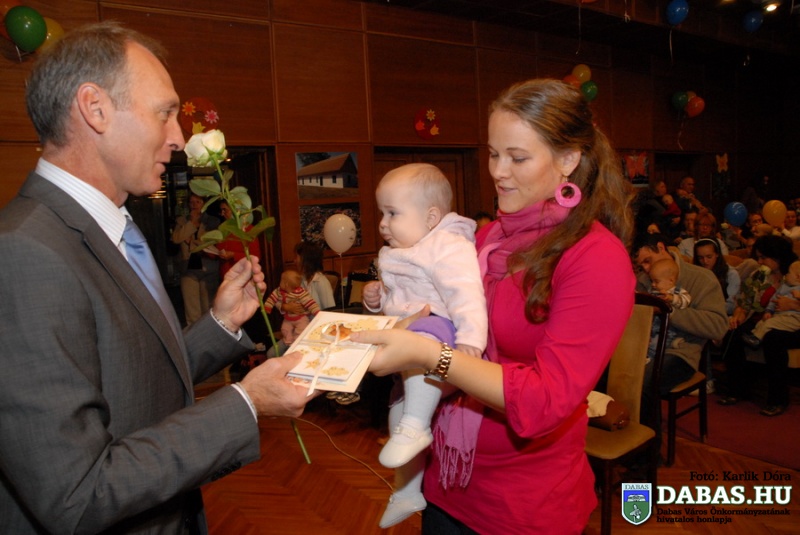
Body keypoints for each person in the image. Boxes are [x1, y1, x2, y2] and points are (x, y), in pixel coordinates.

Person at [0, 22, 314, 534]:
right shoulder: (24, 253)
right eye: (165, 113)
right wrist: (245, 402)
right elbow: (76, 494)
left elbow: (132, 381)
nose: (179, 138)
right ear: (95, 109)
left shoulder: (109, 229)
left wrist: (219, 324)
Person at [353, 79, 637, 533]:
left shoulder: (596, 258)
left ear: (568, 159)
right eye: (493, 154)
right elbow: (441, 314)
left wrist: (430, 355)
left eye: (518, 158)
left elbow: (545, 402)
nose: (499, 172)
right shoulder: (485, 238)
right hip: (446, 480)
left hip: (522, 504)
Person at [361, 163, 487, 529]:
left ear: (431, 217)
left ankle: (417, 426)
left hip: (440, 333)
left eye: (393, 213)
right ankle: (407, 490)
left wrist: (471, 340)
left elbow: (466, 294)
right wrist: (376, 301)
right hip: (411, 346)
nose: (383, 223)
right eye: (382, 213)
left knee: (409, 420)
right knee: (397, 413)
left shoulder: (447, 246)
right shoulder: (401, 250)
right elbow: (397, 304)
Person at [632, 233, 728, 415]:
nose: (646, 269)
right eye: (641, 265)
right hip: (644, 349)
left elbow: (718, 327)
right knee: (601, 373)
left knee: (642, 383)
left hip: (680, 353)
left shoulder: (701, 277)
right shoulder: (642, 281)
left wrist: (669, 311)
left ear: (661, 248)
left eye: (648, 261)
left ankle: (647, 433)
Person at [718, 235, 798, 416]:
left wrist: (793, 305)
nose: (759, 262)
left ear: (777, 256)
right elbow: (744, 302)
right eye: (758, 257)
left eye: (763, 257)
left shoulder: (795, 271)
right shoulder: (759, 275)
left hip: (793, 322)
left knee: (773, 338)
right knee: (734, 333)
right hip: (763, 320)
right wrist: (737, 316)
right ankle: (737, 390)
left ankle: (778, 399)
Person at [172, 192, 221, 325]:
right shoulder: (181, 221)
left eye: (197, 202)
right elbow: (176, 239)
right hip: (188, 268)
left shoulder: (213, 222)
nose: (194, 205)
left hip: (208, 268)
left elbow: (209, 243)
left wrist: (191, 242)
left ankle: (210, 333)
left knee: (208, 307)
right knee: (191, 309)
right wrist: (192, 223)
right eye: (191, 202)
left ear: (204, 204)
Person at [741, 260, 800, 347]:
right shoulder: (784, 286)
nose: (786, 274)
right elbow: (774, 299)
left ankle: (756, 339)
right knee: (763, 321)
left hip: (794, 317)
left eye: (789, 272)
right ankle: (754, 336)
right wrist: (769, 311)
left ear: (798, 277)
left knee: (769, 324)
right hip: (779, 314)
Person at [646, 257, 692, 361]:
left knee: (656, 344)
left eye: (656, 281)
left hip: (669, 329)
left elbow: (685, 301)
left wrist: (671, 298)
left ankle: (651, 358)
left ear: (671, 280)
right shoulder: (654, 291)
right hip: (653, 326)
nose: (653, 284)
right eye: (652, 281)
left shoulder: (677, 291)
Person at [263, 269, 321, 346]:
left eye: (281, 281)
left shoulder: (301, 293)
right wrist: (268, 307)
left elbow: (310, 303)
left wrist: (317, 312)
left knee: (301, 330)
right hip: (288, 318)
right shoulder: (278, 291)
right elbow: (272, 298)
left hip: (301, 317)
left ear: (286, 284)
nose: (279, 282)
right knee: (285, 329)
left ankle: (298, 342)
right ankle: (288, 342)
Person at [693, 237, 741, 315]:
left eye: (709, 257)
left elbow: (731, 305)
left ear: (717, 254)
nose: (705, 261)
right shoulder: (694, 272)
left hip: (719, 314)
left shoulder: (731, 274)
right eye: (700, 258)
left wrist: (708, 308)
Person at [217, 200, 262, 278]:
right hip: (226, 276)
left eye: (225, 210)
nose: (222, 213)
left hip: (243, 275)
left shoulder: (248, 229)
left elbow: (256, 256)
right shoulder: (224, 228)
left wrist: (233, 255)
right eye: (221, 210)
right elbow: (218, 250)